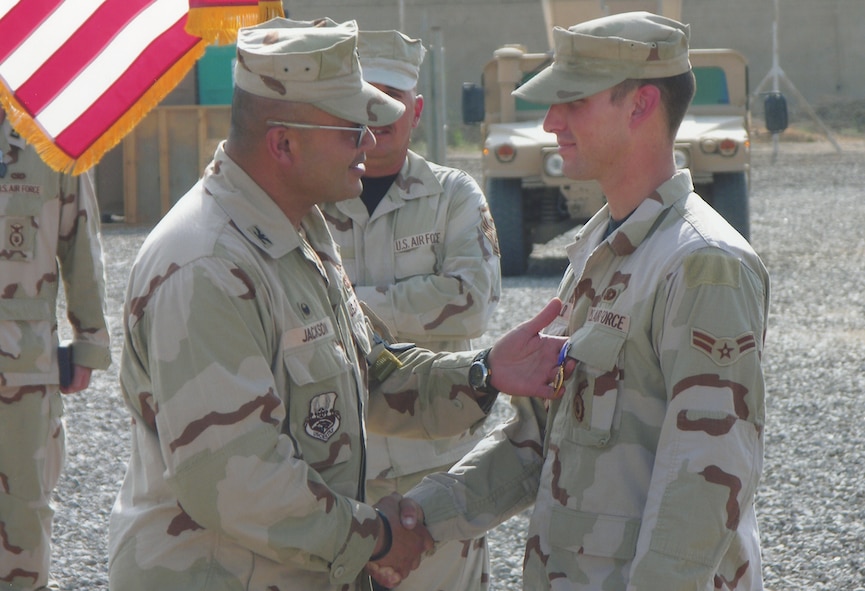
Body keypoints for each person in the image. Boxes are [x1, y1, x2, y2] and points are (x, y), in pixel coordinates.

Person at [106, 17, 571, 591]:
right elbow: (240, 480)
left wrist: (484, 372)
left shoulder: (297, 231)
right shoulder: (206, 265)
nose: (370, 142)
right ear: (283, 142)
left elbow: (366, 372)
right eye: (351, 129)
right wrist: (376, 537)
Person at [398, 11, 770, 590]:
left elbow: (706, 481)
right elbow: (539, 440)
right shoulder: (602, 249)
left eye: (572, 102)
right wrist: (420, 517)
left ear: (641, 105)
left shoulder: (703, 264)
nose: (550, 121)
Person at [320, 29, 501, 591]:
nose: (377, 117)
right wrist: (421, 297)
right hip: (337, 468)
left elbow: (471, 303)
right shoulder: (311, 196)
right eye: (365, 99)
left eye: (391, 101)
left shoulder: (454, 196)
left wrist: (346, 308)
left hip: (435, 466)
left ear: (417, 109)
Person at [0, 105, 112, 590]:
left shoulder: (52, 140)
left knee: (23, 515)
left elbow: (81, 241)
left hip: (22, 370)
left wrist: (89, 341)